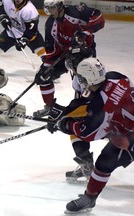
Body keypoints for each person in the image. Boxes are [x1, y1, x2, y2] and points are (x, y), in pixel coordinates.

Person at [33, 0, 105, 182]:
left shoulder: (77, 12)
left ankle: (88, 160)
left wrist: (85, 32)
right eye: (47, 8)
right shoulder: (51, 24)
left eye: (52, 7)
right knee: (45, 76)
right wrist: (46, 67)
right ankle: (51, 108)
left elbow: (99, 17)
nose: (49, 11)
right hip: (69, 59)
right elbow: (53, 50)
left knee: (78, 115)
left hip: (84, 58)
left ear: (61, 5)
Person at [51, 57, 134, 213]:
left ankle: (89, 199)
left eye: (81, 78)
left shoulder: (102, 106)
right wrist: (70, 111)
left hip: (130, 136)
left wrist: (65, 124)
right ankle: (89, 197)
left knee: (104, 163)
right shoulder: (115, 77)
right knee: (107, 158)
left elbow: (88, 133)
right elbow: (100, 100)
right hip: (127, 127)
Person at [0, 0, 45, 65]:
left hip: (29, 35)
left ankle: (48, 68)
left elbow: (32, 30)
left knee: (44, 54)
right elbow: (0, 4)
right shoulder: (7, 1)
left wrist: (24, 40)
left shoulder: (30, 10)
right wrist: (2, 15)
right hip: (11, 31)